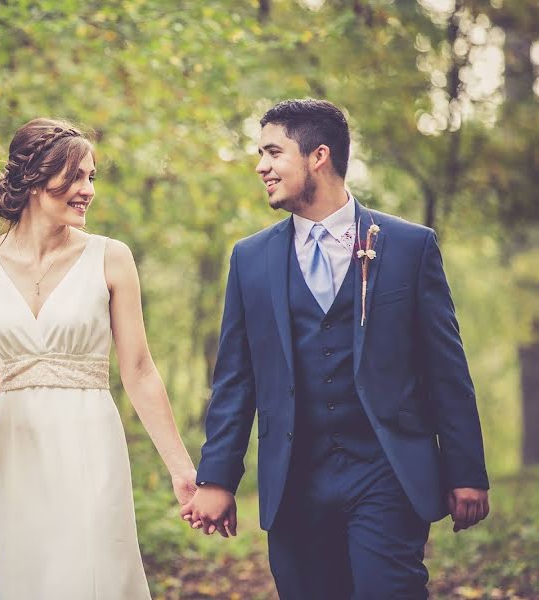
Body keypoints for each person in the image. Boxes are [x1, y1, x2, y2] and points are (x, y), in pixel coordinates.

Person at [181, 99, 490, 599]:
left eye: (273, 152)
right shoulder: (250, 259)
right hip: (294, 481)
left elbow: (446, 369)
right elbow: (236, 379)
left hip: (386, 471)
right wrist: (216, 479)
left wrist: (466, 471)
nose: (261, 166)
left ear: (318, 156)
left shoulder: (410, 247)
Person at [0, 117, 196, 599]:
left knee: (95, 575)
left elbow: (138, 370)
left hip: (89, 441)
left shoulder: (111, 257)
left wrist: (182, 470)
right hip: (17, 449)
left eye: (91, 177)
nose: (87, 190)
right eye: (76, 176)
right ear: (35, 177)